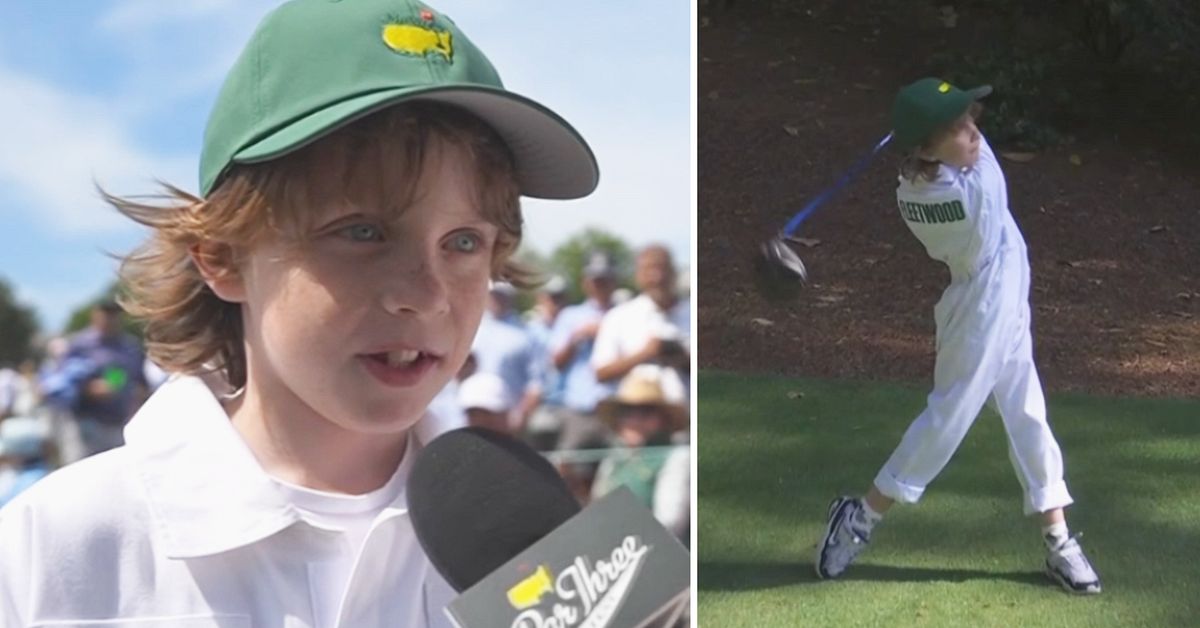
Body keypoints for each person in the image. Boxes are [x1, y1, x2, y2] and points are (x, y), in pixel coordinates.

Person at [0, 1, 598, 625]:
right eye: (362, 232)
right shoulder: (56, 550)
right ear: (224, 258)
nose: (426, 293)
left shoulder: (537, 548)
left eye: (465, 242)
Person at [814, 78, 1101, 595]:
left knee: (1029, 416)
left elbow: (959, 134)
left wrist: (934, 112)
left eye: (971, 121)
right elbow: (982, 162)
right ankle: (861, 515)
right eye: (957, 128)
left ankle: (1058, 539)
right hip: (981, 306)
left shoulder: (927, 172)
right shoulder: (966, 193)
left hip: (1005, 292)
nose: (974, 133)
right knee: (947, 419)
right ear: (927, 148)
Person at [591, 365, 690, 544]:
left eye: (645, 412)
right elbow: (596, 508)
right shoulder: (614, 458)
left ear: (663, 418)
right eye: (627, 412)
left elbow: (669, 522)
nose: (634, 420)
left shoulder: (677, 457)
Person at [40, 301, 148, 459]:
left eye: (113, 316)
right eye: (105, 316)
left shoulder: (129, 347)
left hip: (120, 423)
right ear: (95, 317)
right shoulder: (80, 344)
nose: (109, 320)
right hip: (86, 424)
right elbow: (62, 379)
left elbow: (140, 382)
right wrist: (89, 388)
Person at [592, 244, 690, 404]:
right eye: (649, 271)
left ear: (673, 273)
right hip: (635, 416)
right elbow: (601, 373)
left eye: (663, 269)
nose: (657, 278)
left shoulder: (691, 313)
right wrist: (646, 353)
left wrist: (681, 358)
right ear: (638, 276)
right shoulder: (619, 317)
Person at [0, 417, 52, 509]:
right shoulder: (22, 474)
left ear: (20, 454)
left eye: (9, 453)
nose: (4, 457)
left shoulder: (31, 482)